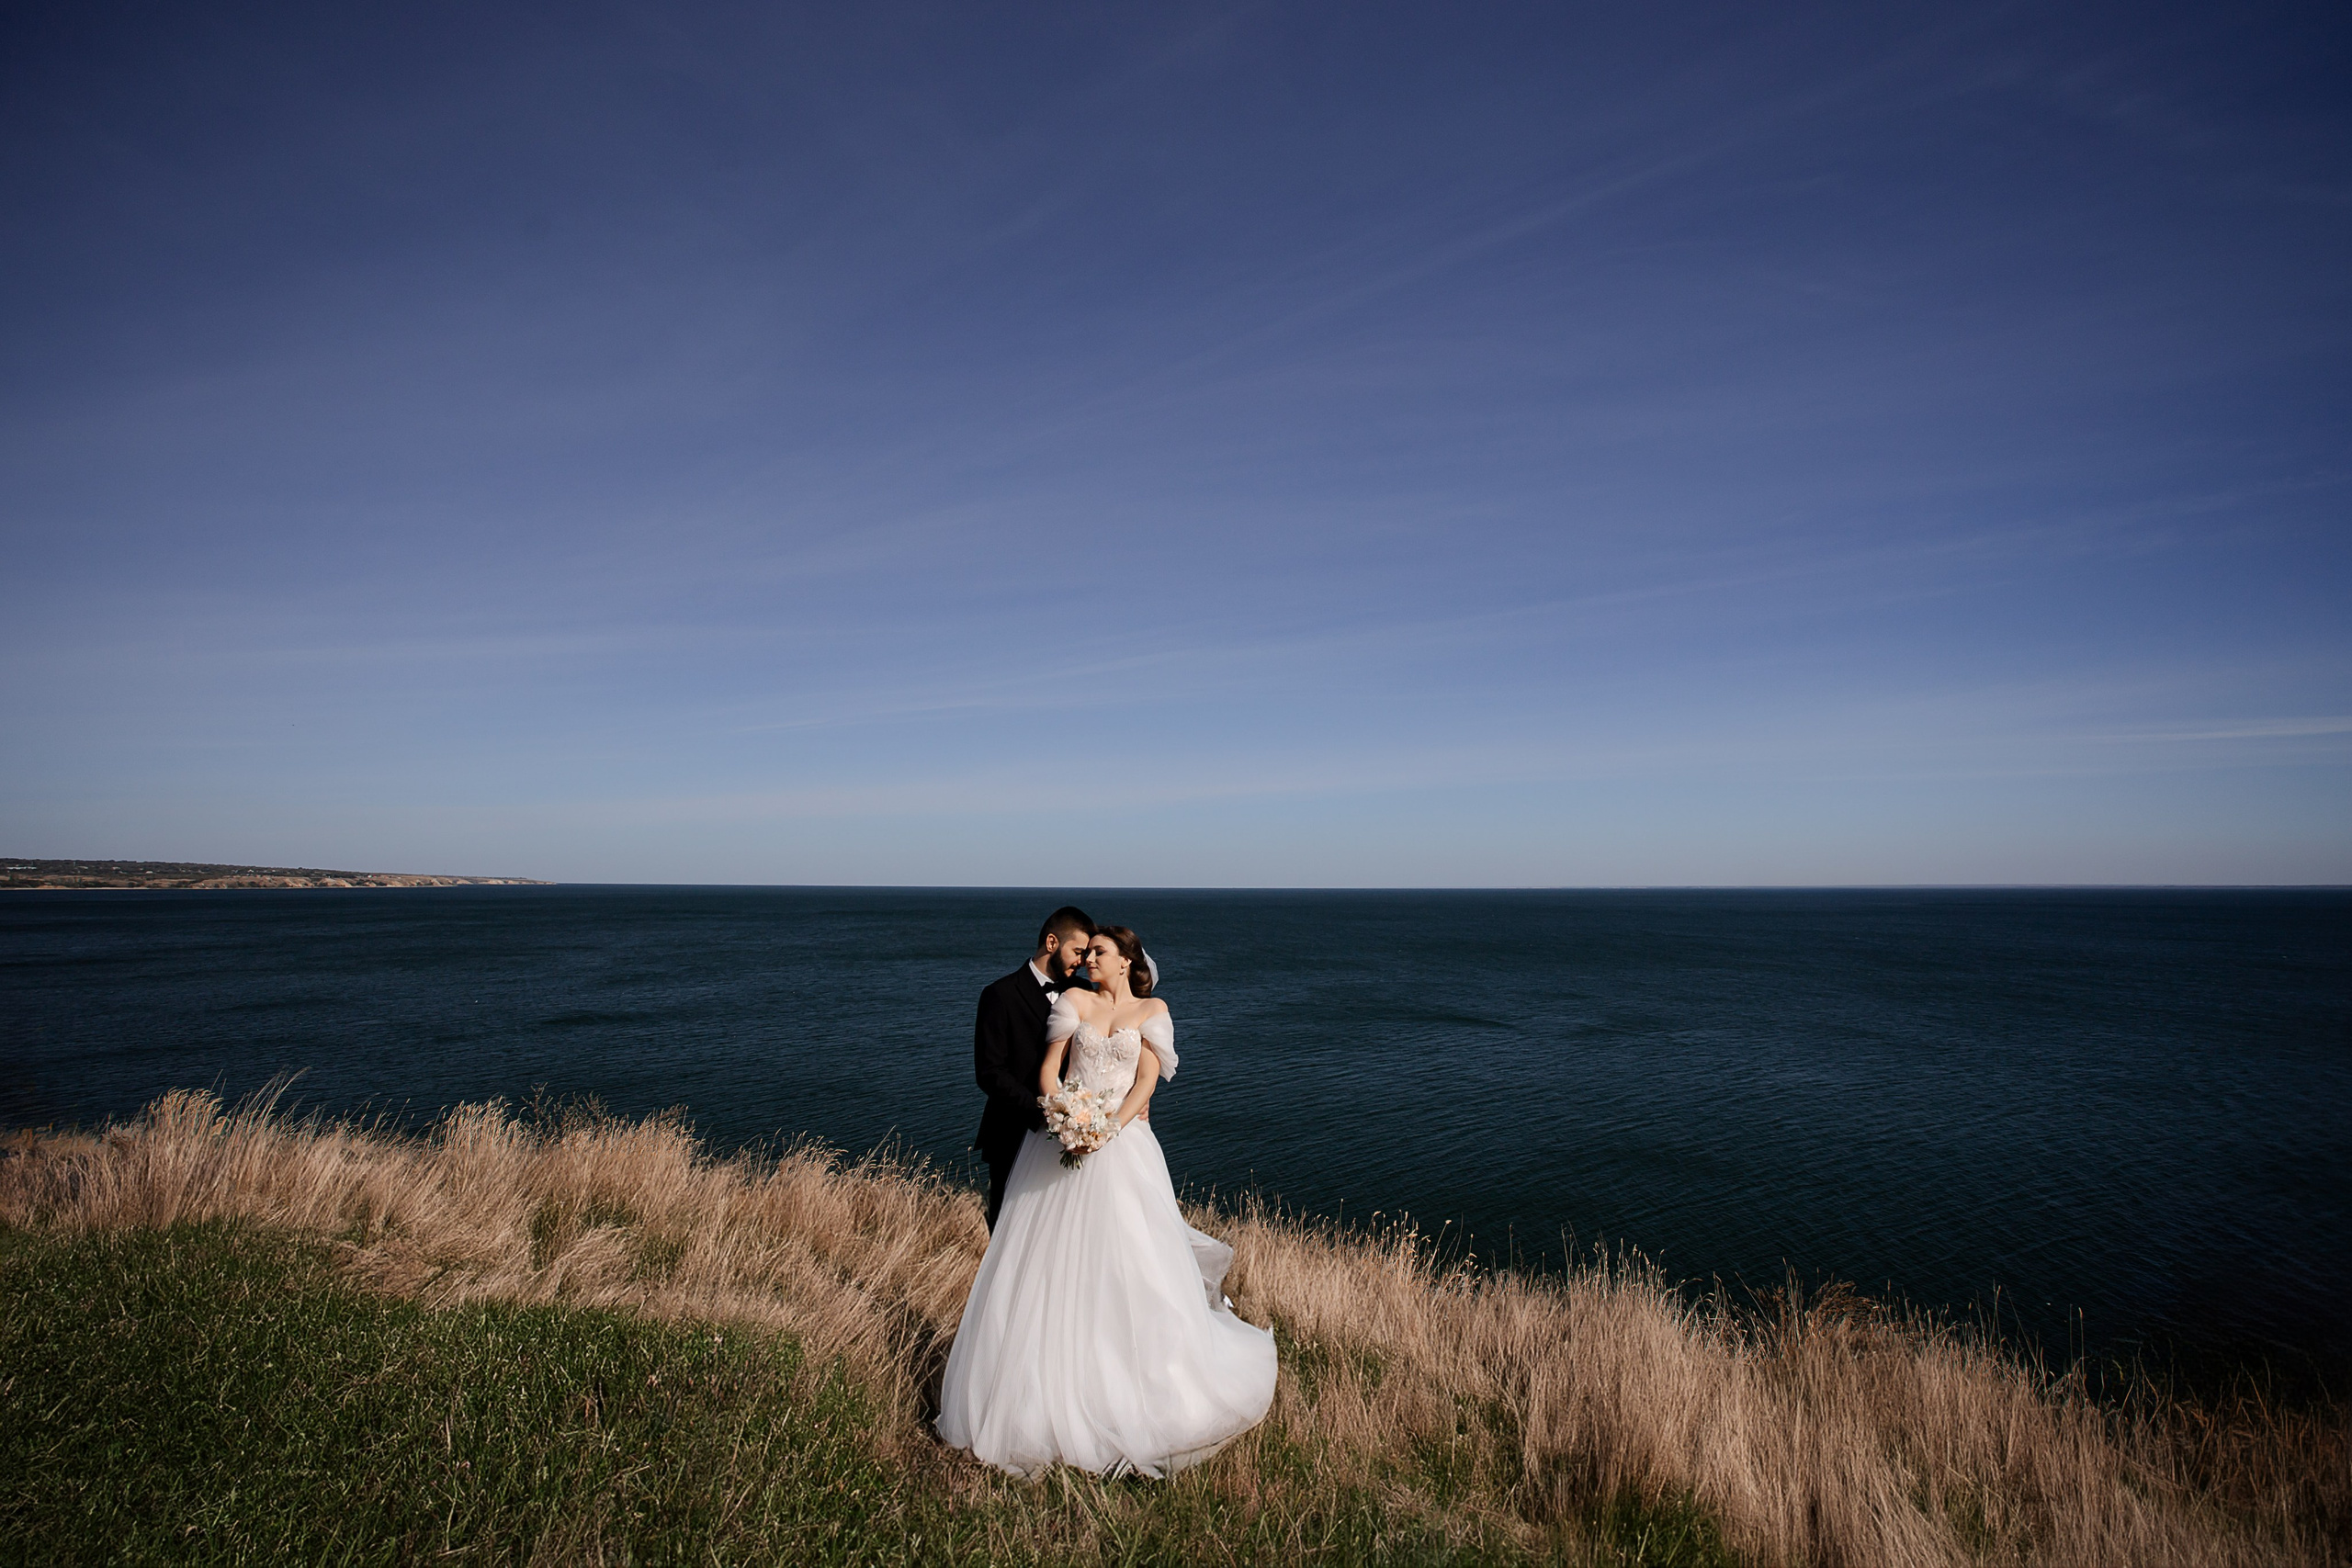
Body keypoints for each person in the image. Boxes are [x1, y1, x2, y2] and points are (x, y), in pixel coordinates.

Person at [937, 923, 1277, 1477]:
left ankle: (1139, 1381)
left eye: (1100, 952)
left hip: (1123, 1148)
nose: (1088, 958)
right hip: (1061, 1140)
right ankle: (1039, 1391)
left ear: (1126, 962)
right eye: (1087, 950)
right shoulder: (1072, 1001)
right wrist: (1067, 1117)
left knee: (1132, 1264)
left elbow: (1145, 1085)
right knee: (1044, 1267)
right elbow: (1051, 1070)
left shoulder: (1154, 1011)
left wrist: (1107, 1131)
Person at [972, 906, 1097, 1232]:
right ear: (1052, 942)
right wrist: (1048, 1112)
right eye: (1078, 952)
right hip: (1014, 1132)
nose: (1082, 962)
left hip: (1074, 1135)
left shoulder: (1086, 994)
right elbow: (990, 1072)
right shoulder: (999, 995)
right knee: (1008, 1233)